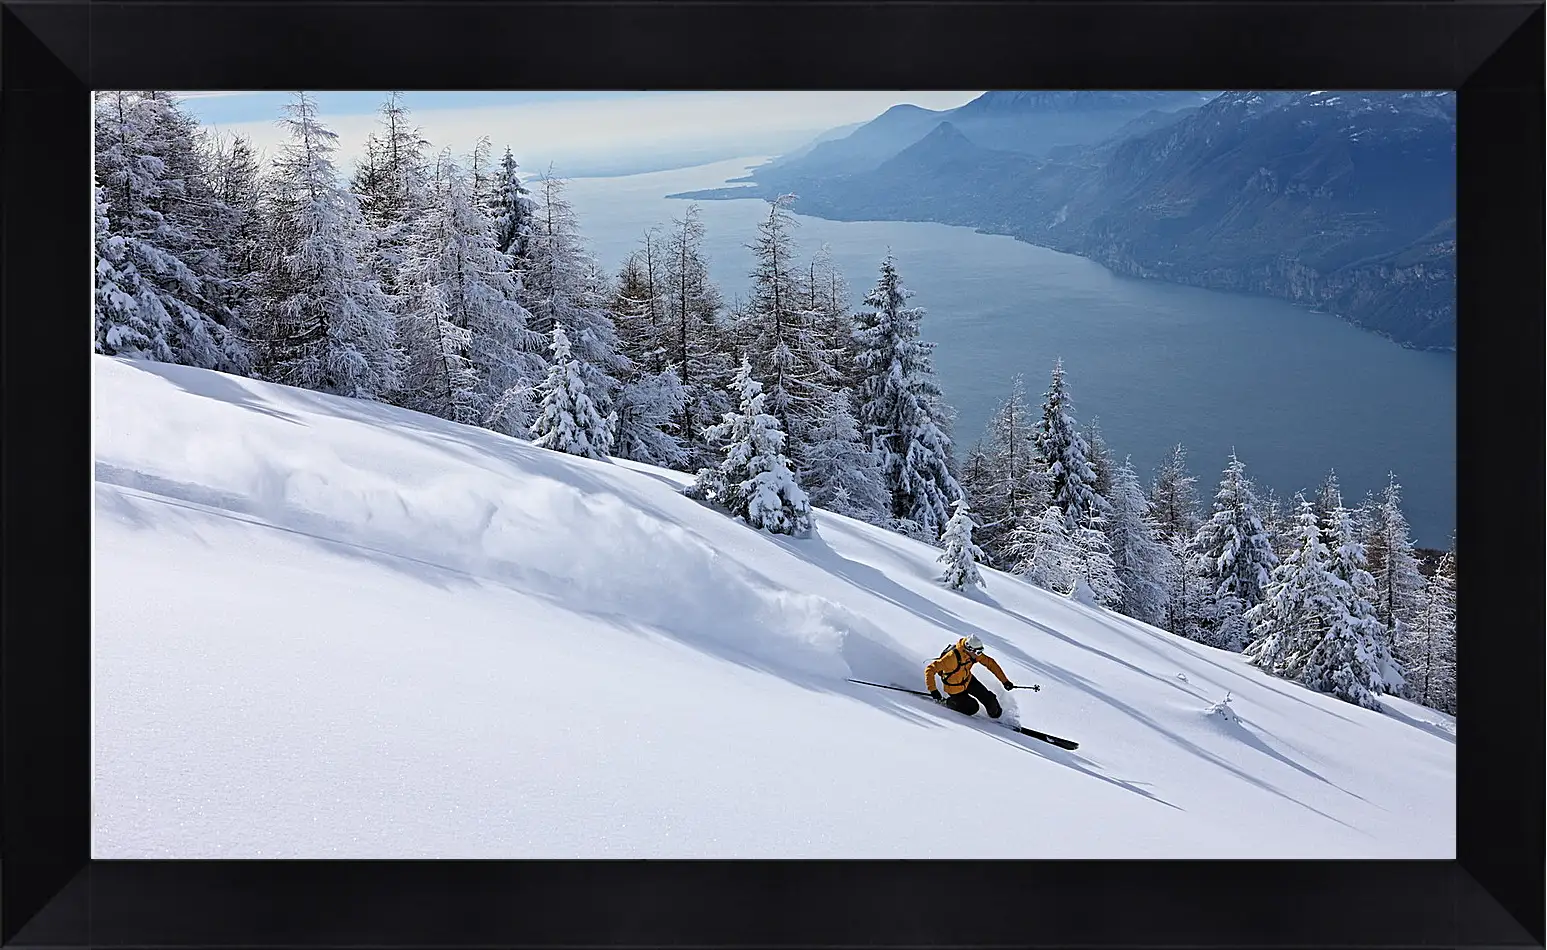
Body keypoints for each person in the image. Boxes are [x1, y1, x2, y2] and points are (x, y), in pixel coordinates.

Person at [924, 634, 1016, 719]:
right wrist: (933, 690)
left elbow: (990, 663)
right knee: (972, 707)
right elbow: (930, 669)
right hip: (954, 688)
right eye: (978, 652)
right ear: (969, 649)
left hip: (968, 681)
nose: (979, 654)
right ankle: (949, 702)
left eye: (980, 651)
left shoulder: (974, 654)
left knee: (992, 705)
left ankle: (996, 716)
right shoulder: (951, 658)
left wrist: (1005, 681)